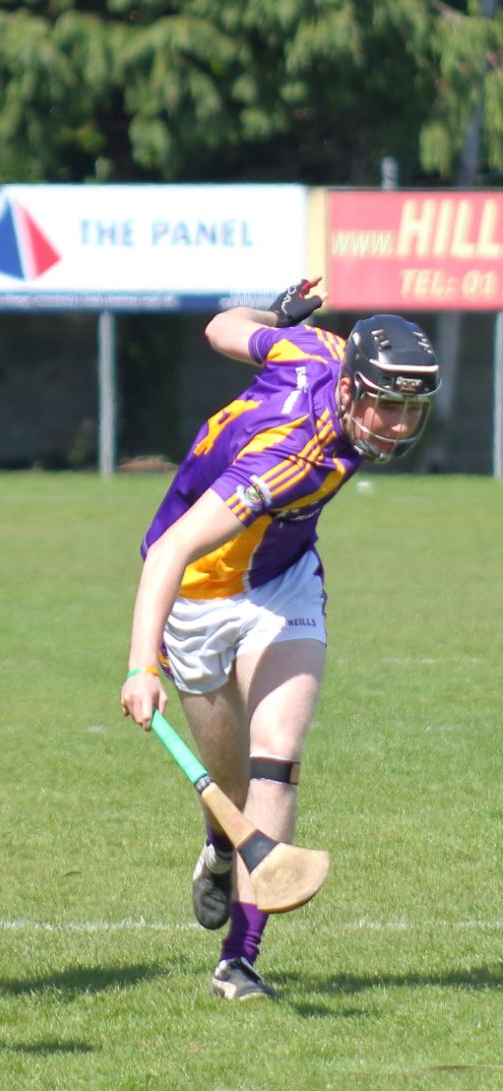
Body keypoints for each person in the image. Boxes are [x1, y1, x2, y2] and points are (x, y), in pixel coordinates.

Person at [120, 280, 441, 1002]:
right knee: (228, 780)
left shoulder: (315, 345)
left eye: (410, 410)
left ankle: (241, 961)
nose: (396, 425)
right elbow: (169, 550)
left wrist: (276, 315)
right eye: (387, 406)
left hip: (284, 582)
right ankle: (218, 845)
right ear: (353, 389)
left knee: (277, 762)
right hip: (197, 594)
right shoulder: (290, 458)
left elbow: (221, 328)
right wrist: (143, 666)